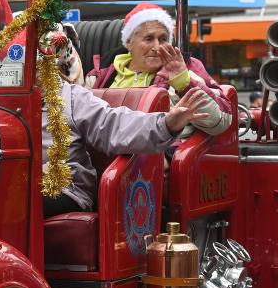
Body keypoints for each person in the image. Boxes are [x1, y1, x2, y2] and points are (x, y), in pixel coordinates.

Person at [44, 85, 210, 216]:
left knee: (23, 201)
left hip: (64, 189)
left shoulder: (70, 97)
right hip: (23, 186)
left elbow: (113, 125)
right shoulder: (17, 101)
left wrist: (166, 124)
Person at [85, 2, 231, 138]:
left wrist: (183, 83)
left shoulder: (186, 69)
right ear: (129, 42)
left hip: (161, 157)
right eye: (148, 39)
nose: (156, 47)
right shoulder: (97, 77)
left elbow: (219, 123)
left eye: (163, 39)